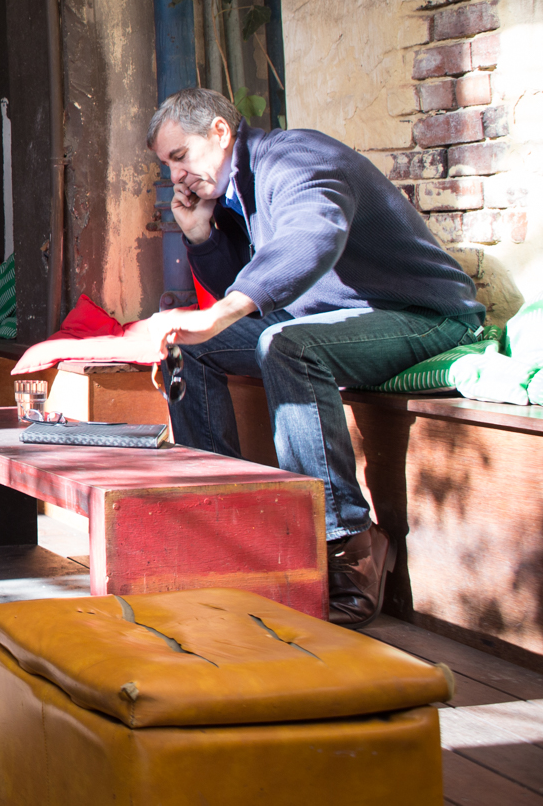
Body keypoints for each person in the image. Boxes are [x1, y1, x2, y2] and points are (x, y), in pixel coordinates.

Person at [143, 87, 483, 627]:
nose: (176, 177)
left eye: (179, 157)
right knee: (191, 346)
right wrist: (202, 235)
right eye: (168, 166)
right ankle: (223, 524)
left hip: (421, 314)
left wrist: (223, 311)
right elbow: (248, 283)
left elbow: (311, 238)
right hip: (335, 322)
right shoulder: (235, 189)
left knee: (286, 345)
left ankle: (348, 544)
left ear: (219, 132)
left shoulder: (298, 157)